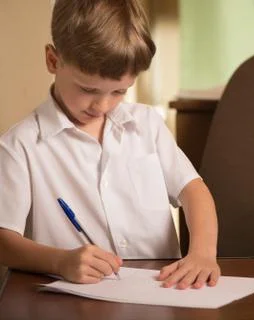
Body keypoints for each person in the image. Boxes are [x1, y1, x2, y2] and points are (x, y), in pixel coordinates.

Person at [0, 0, 220, 290]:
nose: (102, 105)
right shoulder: (19, 146)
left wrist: (203, 253)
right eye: (88, 89)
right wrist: (60, 261)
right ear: (53, 61)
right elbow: (4, 241)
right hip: (76, 299)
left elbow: (193, 190)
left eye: (119, 91)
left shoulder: (147, 125)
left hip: (161, 290)